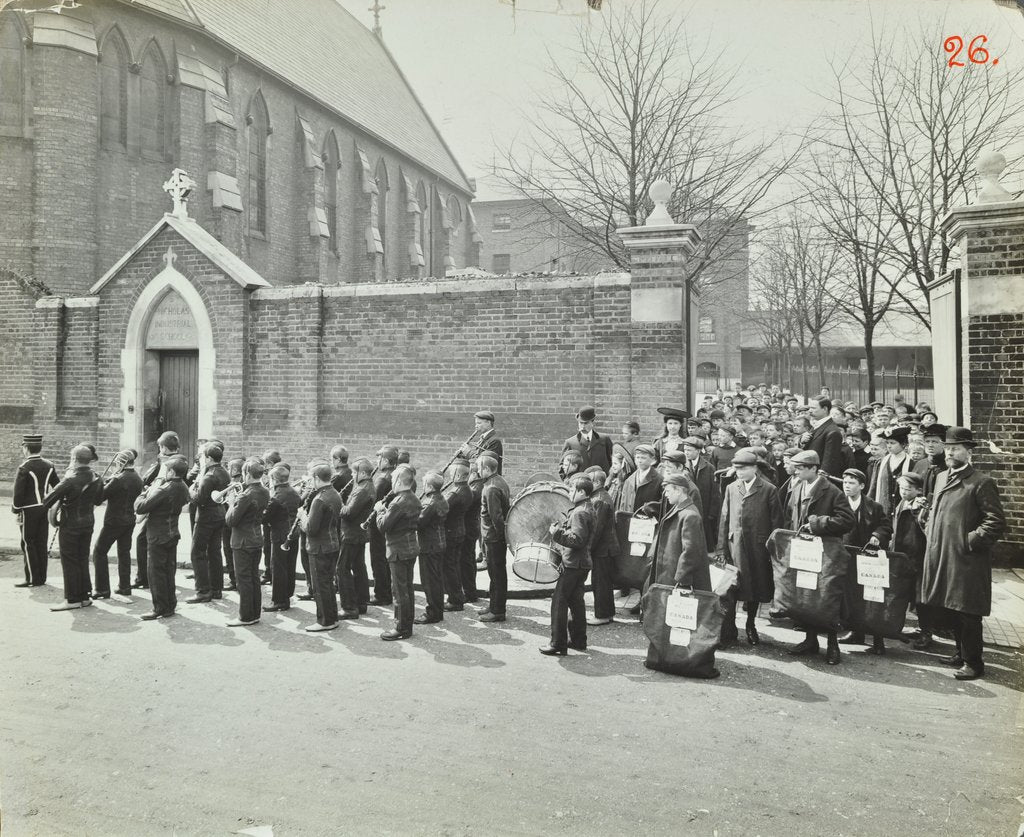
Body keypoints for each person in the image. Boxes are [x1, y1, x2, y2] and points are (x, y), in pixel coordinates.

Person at [919, 427, 1005, 680]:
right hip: (943, 555)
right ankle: (960, 653)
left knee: (968, 612)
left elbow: (995, 522)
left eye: (956, 448)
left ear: (969, 452)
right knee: (951, 607)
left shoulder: (981, 482)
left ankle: (974, 662)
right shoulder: (942, 477)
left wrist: (969, 541)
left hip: (967, 559)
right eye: (948, 448)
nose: (950, 452)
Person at [786, 450, 855, 664]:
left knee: (827, 598)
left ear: (814, 468)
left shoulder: (832, 491)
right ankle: (810, 640)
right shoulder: (796, 487)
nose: (795, 471)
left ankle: (832, 644)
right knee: (806, 595)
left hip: (825, 552)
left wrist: (817, 524)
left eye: (800, 467)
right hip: (803, 552)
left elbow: (847, 520)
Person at [717, 448, 784, 646]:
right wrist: (721, 548)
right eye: (737, 468)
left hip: (758, 548)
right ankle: (730, 628)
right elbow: (724, 518)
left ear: (755, 468)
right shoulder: (731, 488)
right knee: (732, 588)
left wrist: (772, 550)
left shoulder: (768, 489)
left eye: (744, 468)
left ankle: (750, 624)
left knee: (754, 588)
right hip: (734, 545)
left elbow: (776, 523)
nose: (739, 472)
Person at [837, 468, 893, 654]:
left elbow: (885, 526)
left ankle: (878, 640)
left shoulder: (873, 506)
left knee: (872, 597)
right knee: (851, 596)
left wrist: (877, 535)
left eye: (851, 483)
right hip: (845, 556)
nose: (847, 486)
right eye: (845, 482)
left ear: (861, 486)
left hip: (867, 558)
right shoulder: (838, 503)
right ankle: (856, 632)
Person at [540, 475, 597, 656]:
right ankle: (579, 641)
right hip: (582, 564)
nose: (570, 493)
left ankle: (558, 643)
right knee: (576, 602)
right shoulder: (587, 507)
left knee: (559, 602)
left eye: (572, 490)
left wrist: (557, 533)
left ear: (581, 492)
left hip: (573, 564)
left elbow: (577, 540)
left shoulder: (580, 512)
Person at [43, 444, 104, 611]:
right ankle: (85, 597)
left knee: (70, 561)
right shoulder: (97, 477)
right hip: (88, 523)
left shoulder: (70, 479)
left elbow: (47, 501)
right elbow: (98, 501)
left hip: (70, 525)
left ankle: (72, 599)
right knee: (82, 558)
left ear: (74, 460)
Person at [133, 454, 190, 620]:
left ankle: (159, 608)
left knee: (155, 573)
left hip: (158, 535)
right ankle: (170, 605)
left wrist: (144, 494)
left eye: (167, 470)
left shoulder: (164, 489)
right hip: (172, 533)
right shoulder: (183, 487)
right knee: (168, 571)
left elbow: (141, 508)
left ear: (171, 472)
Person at [375, 466, 422, 640]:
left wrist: (380, 510)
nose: (391, 483)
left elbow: (383, 526)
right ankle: (406, 625)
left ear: (399, 481)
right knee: (407, 589)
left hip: (398, 551)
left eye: (393, 479)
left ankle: (401, 628)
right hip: (410, 549)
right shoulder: (414, 498)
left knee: (399, 591)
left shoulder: (398, 502)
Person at [224, 457, 271, 627]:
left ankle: (245, 616)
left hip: (242, 541)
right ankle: (254, 614)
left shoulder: (246, 494)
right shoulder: (265, 491)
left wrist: (231, 504)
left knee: (243, 580)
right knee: (253, 578)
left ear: (248, 474)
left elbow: (231, 521)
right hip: (256, 538)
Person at [91, 449, 143, 598]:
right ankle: (124, 587)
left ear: (121, 463)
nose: (115, 466)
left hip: (114, 521)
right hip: (129, 521)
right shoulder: (138, 478)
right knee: (124, 552)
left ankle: (102, 589)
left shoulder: (117, 479)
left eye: (116, 463)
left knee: (99, 551)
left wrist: (99, 483)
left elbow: (98, 499)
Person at [134, 431, 181, 590]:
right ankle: (161, 578)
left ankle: (145, 578)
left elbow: (149, 479)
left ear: (163, 447)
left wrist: (147, 491)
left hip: (159, 506)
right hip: (166, 507)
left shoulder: (168, 463)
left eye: (160, 446)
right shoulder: (178, 460)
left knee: (143, 541)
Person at [891, 472, 933, 650]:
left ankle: (926, 632)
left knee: (920, 599)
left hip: (917, 558)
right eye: (901, 488)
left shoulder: (921, 506)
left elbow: (926, 530)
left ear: (918, 490)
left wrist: (919, 511)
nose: (904, 492)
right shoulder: (902, 503)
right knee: (902, 594)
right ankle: (896, 627)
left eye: (908, 489)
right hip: (901, 556)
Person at [12, 433, 59, 588]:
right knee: (41, 542)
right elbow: (57, 487)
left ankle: (32, 578)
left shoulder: (24, 468)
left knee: (28, 543)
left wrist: (16, 509)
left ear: (26, 448)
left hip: (28, 511)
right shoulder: (49, 465)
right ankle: (42, 577)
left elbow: (18, 494)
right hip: (44, 508)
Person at [186, 442, 230, 604]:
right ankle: (216, 589)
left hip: (206, 517)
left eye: (204, 457)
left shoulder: (209, 475)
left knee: (197, 552)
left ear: (209, 458)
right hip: (219, 515)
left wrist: (191, 489)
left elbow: (199, 498)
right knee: (214, 552)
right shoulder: (224, 472)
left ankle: (203, 591)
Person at [301, 463, 343, 632]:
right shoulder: (335, 494)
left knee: (320, 585)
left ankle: (325, 621)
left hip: (319, 546)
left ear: (317, 478)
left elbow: (311, 528)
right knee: (328, 583)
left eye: (312, 479)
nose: (311, 482)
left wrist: (302, 516)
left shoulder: (319, 499)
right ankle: (332, 617)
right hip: (332, 543)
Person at [336, 457, 375, 618]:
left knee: (342, 568)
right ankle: (361, 602)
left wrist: (338, 502)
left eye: (354, 472)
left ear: (363, 473)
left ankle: (349, 607)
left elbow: (349, 513)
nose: (352, 475)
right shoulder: (365, 485)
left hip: (351, 534)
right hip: (358, 533)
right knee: (358, 566)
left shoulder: (362, 489)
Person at [261, 464, 303, 612]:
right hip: (293, 534)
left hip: (280, 536)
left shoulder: (276, 497)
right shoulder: (294, 492)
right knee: (290, 566)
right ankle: (287, 595)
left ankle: (279, 601)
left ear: (274, 479)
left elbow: (264, 518)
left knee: (278, 568)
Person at [583, 466, 619, 626]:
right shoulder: (601, 496)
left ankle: (602, 615)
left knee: (600, 582)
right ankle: (607, 613)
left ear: (597, 482)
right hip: (607, 548)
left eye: (589, 481)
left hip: (603, 549)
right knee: (604, 582)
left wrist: (587, 549)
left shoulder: (599, 500)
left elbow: (596, 529)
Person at [477, 454, 510, 623]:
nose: (477, 470)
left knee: (496, 575)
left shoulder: (490, 488)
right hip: (495, 538)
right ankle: (494, 606)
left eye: (479, 468)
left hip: (493, 538)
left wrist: (499, 537)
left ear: (487, 469)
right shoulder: (499, 481)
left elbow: (496, 517)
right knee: (495, 574)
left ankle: (497, 611)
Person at [415, 471, 449, 624]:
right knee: (436, 579)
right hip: (439, 543)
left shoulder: (429, 503)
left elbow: (418, 523)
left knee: (429, 581)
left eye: (424, 484)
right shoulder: (441, 498)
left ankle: (432, 613)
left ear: (429, 486)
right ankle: (438, 610)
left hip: (429, 545)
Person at [367, 445, 398, 606]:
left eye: (379, 458)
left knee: (378, 559)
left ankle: (381, 594)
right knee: (384, 559)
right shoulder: (395, 475)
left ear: (386, 460)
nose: (377, 461)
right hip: (389, 522)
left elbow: (374, 502)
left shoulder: (383, 478)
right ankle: (386, 591)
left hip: (377, 525)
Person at [442, 462, 472, 611]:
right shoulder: (467, 489)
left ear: (459, 475)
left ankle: (454, 600)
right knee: (454, 565)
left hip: (450, 532)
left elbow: (442, 509)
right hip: (460, 531)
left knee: (449, 567)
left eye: (452, 473)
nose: (449, 475)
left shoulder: (455, 492)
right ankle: (457, 596)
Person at [680, 436, 720, 551]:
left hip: (705, 508)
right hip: (689, 507)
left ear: (698, 451)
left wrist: (712, 512)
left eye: (689, 450)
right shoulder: (683, 467)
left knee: (705, 541)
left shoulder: (709, 468)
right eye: (685, 450)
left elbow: (715, 492)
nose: (686, 453)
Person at [868, 426, 911, 515]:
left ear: (903, 444)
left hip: (902, 511)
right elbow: (874, 486)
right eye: (887, 443)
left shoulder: (911, 463)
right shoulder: (881, 462)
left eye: (892, 443)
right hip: (884, 510)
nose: (889, 446)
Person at [802, 396, 846, 477]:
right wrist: (802, 441)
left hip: (818, 479)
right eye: (810, 408)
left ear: (825, 409)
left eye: (813, 408)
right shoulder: (818, 425)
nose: (810, 411)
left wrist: (820, 481)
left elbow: (829, 464)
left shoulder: (833, 431)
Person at [562, 406, 613, 472]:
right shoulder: (570, 443)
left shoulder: (604, 440)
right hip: (580, 481)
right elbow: (562, 466)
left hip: (601, 480)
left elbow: (612, 461)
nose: (583, 426)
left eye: (586, 423)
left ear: (592, 423)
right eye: (581, 423)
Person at [221, 457, 244, 592]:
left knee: (229, 551)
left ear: (235, 470)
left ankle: (234, 580)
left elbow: (231, 503)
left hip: (231, 521)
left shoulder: (235, 484)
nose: (228, 470)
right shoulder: (240, 483)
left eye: (230, 468)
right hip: (236, 522)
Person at [913, 423, 948, 499]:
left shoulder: (949, 465)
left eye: (934, 442)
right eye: (927, 441)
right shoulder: (919, 465)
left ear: (944, 444)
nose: (930, 445)